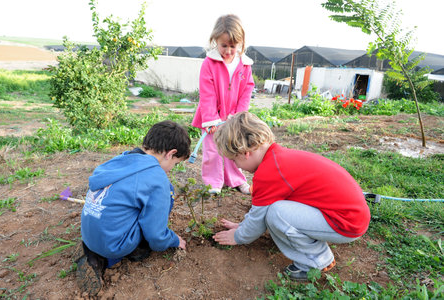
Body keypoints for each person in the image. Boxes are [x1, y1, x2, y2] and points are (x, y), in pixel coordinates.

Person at [212, 112, 371, 281]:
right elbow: (258, 213)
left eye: (234, 161)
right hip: (351, 215)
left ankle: (317, 260)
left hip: (347, 223)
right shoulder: (277, 158)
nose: (238, 167)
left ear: (245, 153)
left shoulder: (268, 173)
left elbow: (259, 218)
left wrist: (238, 236)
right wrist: (243, 225)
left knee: (276, 213)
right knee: (275, 209)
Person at [76, 120, 191, 296]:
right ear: (171, 153)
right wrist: (173, 239)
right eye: (176, 164)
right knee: (166, 195)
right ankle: (122, 253)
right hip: (113, 244)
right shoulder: (157, 178)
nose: (171, 170)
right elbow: (155, 233)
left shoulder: (120, 159)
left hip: (89, 233)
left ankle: (93, 253)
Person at [191, 14, 255, 195]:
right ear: (215, 41)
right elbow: (207, 93)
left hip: (234, 116)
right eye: (223, 45)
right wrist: (210, 118)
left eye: (232, 46)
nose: (227, 50)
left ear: (240, 43)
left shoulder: (244, 65)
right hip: (212, 117)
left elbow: (246, 91)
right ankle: (213, 183)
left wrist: (239, 115)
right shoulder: (209, 63)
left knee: (235, 148)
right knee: (212, 150)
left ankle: (235, 179)